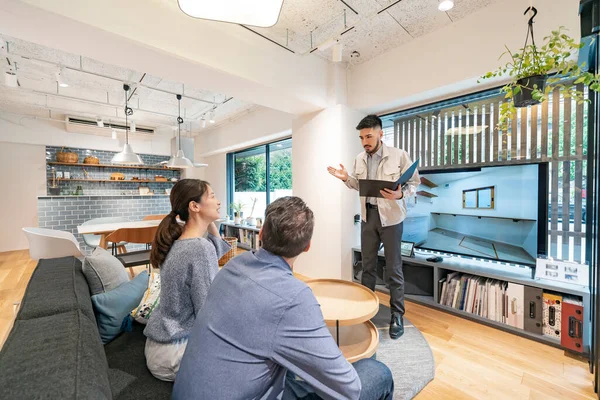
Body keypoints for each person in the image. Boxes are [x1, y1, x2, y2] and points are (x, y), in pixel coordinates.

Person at [173, 196, 394, 400]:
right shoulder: (294, 298)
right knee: (377, 372)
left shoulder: (232, 266)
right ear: (307, 247)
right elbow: (348, 389)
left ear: (260, 233)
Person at [327, 114, 419, 339]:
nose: (365, 141)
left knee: (393, 269)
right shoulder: (359, 158)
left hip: (392, 220)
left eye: (369, 136)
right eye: (361, 137)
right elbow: (358, 185)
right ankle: (365, 309)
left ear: (380, 134)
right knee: (367, 267)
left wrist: (400, 194)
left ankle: (396, 315)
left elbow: (414, 183)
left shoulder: (399, 156)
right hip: (368, 218)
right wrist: (345, 178)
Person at [143, 179, 231, 381]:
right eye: (212, 196)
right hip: (175, 352)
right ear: (194, 206)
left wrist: (209, 222)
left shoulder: (181, 241)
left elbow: (213, 252)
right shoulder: (199, 248)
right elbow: (207, 312)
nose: (218, 202)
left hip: (160, 346)